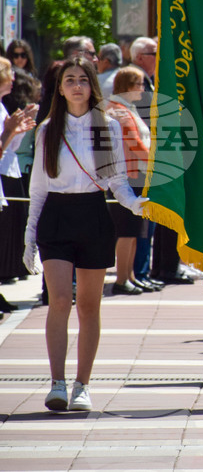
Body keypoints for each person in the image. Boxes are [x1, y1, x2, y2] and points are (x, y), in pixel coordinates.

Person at [22, 58, 147, 412]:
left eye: (83, 80)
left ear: (93, 86)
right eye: (69, 80)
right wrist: (30, 237)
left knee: (90, 306)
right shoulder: (47, 129)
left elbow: (117, 180)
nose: (77, 86)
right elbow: (39, 187)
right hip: (56, 217)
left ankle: (82, 385)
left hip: (94, 214)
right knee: (60, 300)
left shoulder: (106, 127)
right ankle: (57, 383)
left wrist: (135, 204)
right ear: (59, 88)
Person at [103, 67, 155, 295]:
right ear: (126, 86)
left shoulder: (124, 107)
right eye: (138, 84)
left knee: (135, 231)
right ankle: (122, 279)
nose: (142, 89)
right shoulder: (119, 110)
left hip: (135, 174)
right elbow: (134, 143)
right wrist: (158, 163)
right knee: (127, 231)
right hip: (128, 176)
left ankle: (130, 276)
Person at [0, 58, 37, 285]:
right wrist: (10, 131)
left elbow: (8, 145)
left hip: (8, 170)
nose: (13, 78)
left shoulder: (2, 104)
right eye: (9, 73)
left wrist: (17, 130)